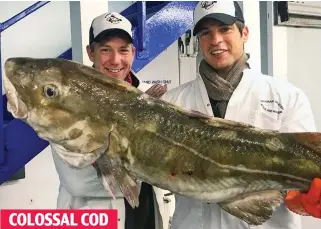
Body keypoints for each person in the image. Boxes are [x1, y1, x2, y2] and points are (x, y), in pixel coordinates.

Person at [160, 1, 321, 229]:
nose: (215, 41)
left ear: (244, 33)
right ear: (199, 41)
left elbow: (306, 168)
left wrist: (305, 198)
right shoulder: (172, 103)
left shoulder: (287, 97)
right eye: (206, 33)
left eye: (225, 29)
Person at [51, 12, 172, 229]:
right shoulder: (68, 102)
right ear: (91, 52)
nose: (115, 60)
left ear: (133, 53)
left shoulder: (152, 98)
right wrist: (158, 170)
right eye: (105, 49)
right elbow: (78, 182)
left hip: (146, 215)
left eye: (123, 50)